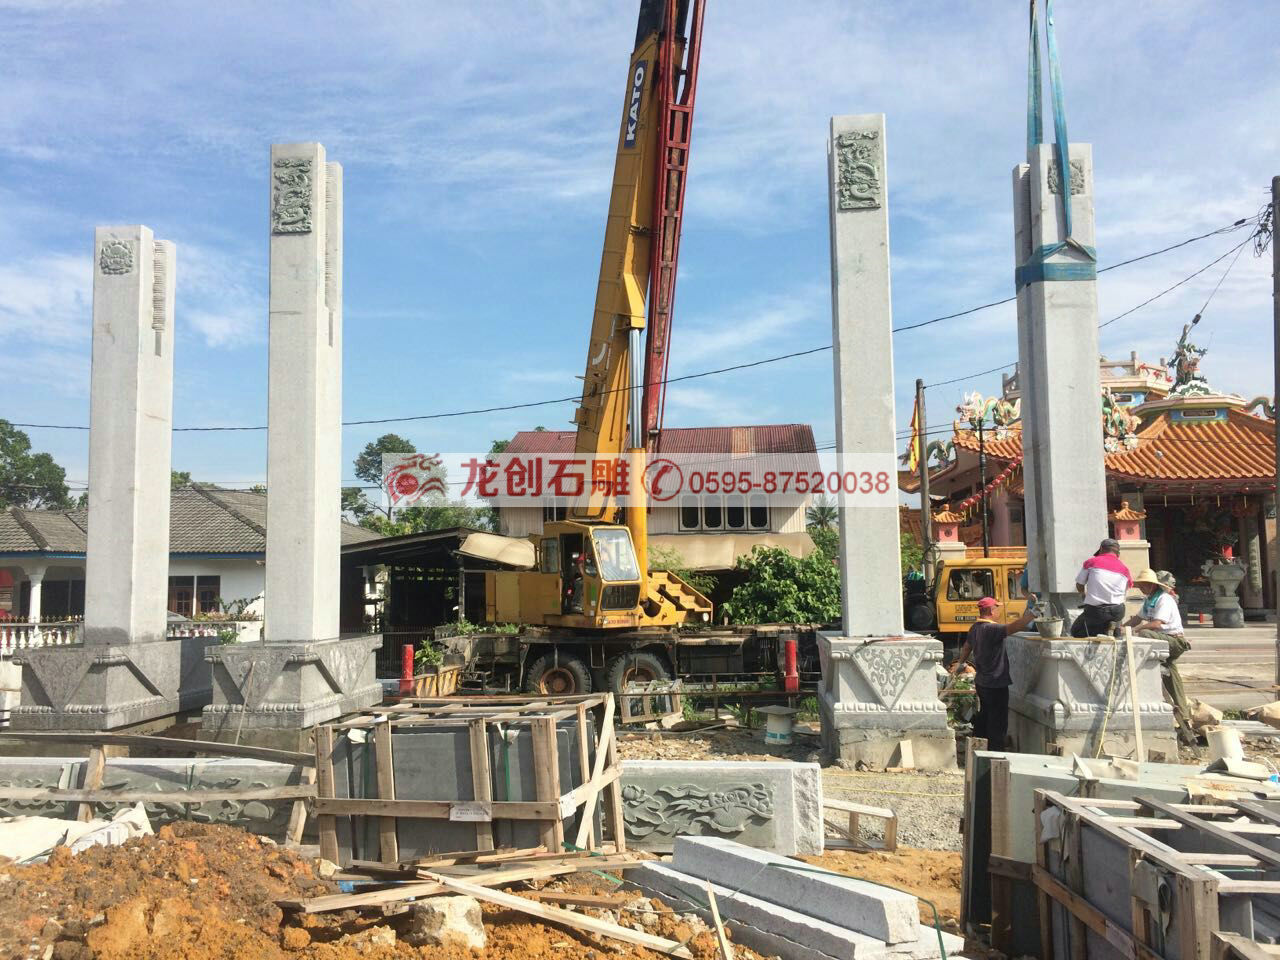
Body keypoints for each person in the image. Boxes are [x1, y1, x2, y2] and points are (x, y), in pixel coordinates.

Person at [949, 593, 1038, 751]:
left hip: (982, 682)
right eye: (997, 609)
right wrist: (1033, 614)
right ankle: (995, 753)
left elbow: (967, 647)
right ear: (991, 611)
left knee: (985, 715)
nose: (998, 612)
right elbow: (1014, 627)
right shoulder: (992, 629)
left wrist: (961, 663)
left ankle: (978, 748)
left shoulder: (975, 628)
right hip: (996, 683)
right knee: (997, 722)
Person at [1125, 569, 1195, 745]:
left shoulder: (1164, 599)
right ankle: (1184, 717)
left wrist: (1135, 630)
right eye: (1140, 586)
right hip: (1163, 640)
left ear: (1151, 585)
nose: (1141, 589)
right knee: (1173, 680)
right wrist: (1122, 629)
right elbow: (1137, 619)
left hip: (1174, 641)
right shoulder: (1150, 600)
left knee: (1144, 634)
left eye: (1143, 585)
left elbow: (1156, 624)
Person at [1071, 538, 1132, 637]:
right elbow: (1126, 590)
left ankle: (1104, 632)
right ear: (1118, 554)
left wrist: (1083, 595)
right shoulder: (1125, 569)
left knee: (1076, 631)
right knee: (1112, 630)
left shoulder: (1091, 562)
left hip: (1096, 611)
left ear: (1101, 549)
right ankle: (1114, 631)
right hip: (1118, 611)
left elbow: (1079, 584)